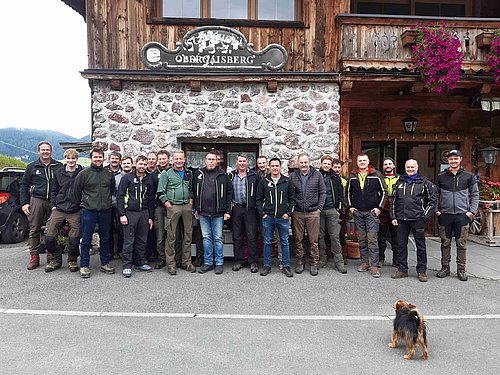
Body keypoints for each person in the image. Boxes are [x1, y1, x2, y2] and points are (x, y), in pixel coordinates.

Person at [435, 149, 479, 281]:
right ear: (447, 161)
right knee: (445, 243)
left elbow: (475, 194)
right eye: (451, 159)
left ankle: (461, 269)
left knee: (461, 244)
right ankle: (445, 268)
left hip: (462, 215)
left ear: (460, 159)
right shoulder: (441, 177)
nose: (453, 161)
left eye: (455, 158)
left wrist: (471, 211)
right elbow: (435, 195)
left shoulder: (468, 176)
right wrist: (437, 210)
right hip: (445, 215)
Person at [390, 159, 438, 282]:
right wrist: (393, 216)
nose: (410, 169)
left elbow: (433, 202)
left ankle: (421, 271)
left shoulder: (425, 183)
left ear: (417, 167)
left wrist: (424, 217)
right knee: (401, 245)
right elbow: (394, 201)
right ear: (405, 168)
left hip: (418, 219)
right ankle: (402, 269)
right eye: (408, 167)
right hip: (401, 219)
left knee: (420, 246)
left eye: (412, 167)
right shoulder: (399, 182)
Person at [73, 147, 116, 278]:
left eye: (100, 157)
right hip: (88, 211)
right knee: (86, 239)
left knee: (105, 238)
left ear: (103, 158)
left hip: (105, 211)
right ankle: (84, 265)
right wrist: (85, 203)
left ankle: (105, 263)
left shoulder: (108, 174)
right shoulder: (83, 174)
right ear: (91, 158)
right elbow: (76, 192)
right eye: (95, 157)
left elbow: (112, 189)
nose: (98, 159)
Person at [20, 141, 62, 270]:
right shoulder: (32, 166)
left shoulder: (58, 166)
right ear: (39, 151)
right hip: (37, 199)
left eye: (47, 150)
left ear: (51, 151)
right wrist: (24, 203)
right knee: (34, 229)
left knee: (53, 229)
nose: (45, 152)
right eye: (43, 150)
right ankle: (34, 256)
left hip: (53, 201)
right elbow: (24, 186)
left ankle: (52, 257)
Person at [347, 154, 388, 278]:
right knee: (361, 239)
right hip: (358, 212)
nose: (362, 162)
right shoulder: (353, 176)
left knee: (372, 239)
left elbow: (384, 192)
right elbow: (348, 192)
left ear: (368, 161)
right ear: (357, 162)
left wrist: (379, 208)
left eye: (364, 160)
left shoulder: (376, 175)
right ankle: (364, 262)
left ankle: (374, 265)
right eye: (360, 160)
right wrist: (350, 207)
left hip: (371, 212)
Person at [193, 151, 233, 275]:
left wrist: (228, 211)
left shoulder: (223, 175)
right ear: (205, 160)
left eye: (213, 159)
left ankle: (219, 263)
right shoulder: (198, 174)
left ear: (217, 161)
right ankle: (208, 262)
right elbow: (194, 192)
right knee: (206, 238)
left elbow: (229, 193)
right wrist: (196, 209)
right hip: (203, 212)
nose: (211, 161)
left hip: (218, 213)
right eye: (209, 159)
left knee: (217, 238)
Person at [44, 149, 83, 273]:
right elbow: (54, 190)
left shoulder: (82, 172)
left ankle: (72, 259)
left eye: (73, 158)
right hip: (59, 207)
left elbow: (85, 190)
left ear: (77, 159)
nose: (71, 161)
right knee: (49, 235)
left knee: (74, 237)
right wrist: (53, 205)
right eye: (68, 158)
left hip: (75, 208)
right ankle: (55, 259)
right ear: (65, 159)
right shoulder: (58, 172)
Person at [157, 150, 195, 275]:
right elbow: (160, 192)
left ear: (184, 159)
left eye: (181, 158)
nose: (179, 161)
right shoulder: (166, 173)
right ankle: (171, 264)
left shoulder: (189, 173)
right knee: (171, 236)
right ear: (173, 160)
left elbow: (191, 189)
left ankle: (186, 262)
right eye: (176, 159)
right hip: (173, 207)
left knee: (188, 235)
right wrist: (168, 205)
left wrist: (190, 203)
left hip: (186, 207)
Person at [117, 155, 155, 277]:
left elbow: (150, 199)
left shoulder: (149, 179)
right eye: (140, 164)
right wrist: (122, 214)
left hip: (144, 212)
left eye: (145, 164)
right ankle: (127, 265)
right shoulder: (127, 178)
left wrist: (150, 216)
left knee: (142, 240)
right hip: (130, 212)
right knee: (129, 240)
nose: (142, 166)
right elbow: (120, 197)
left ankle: (140, 262)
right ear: (135, 164)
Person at [257, 157, 295, 277]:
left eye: (277, 165)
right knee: (267, 241)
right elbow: (258, 199)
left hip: (282, 218)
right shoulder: (264, 181)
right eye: (272, 166)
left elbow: (292, 200)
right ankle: (267, 266)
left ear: (280, 167)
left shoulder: (287, 181)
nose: (274, 168)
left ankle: (286, 266)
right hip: (268, 217)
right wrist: (262, 213)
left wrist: (288, 214)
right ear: (269, 167)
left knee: (284, 242)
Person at [289, 153, 326, 276]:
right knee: (298, 239)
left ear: (309, 162)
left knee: (313, 240)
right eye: (301, 162)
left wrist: (319, 209)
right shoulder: (293, 176)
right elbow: (290, 194)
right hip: (298, 212)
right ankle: (300, 261)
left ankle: (314, 263)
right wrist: (292, 209)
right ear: (298, 164)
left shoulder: (317, 175)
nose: (304, 165)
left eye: (306, 162)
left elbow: (323, 193)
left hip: (313, 212)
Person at [229, 153, 260, 273]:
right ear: (236, 162)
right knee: (237, 236)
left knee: (251, 236)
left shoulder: (254, 175)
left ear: (247, 162)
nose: (242, 163)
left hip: (250, 209)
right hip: (236, 208)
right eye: (240, 161)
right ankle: (239, 260)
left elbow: (259, 193)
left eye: (244, 161)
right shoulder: (231, 175)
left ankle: (253, 262)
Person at [318, 155, 346, 273]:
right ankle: (322, 259)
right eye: (325, 163)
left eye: (329, 164)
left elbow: (340, 195)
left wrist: (338, 209)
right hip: (319, 210)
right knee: (320, 236)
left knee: (335, 236)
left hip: (331, 209)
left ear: (331, 165)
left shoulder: (335, 178)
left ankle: (339, 262)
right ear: (321, 164)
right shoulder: (316, 176)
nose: (326, 165)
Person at [378, 157, 399, 267]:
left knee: (396, 237)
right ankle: (381, 259)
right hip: (383, 210)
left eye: (390, 164)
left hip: (395, 210)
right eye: (385, 164)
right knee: (381, 237)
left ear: (394, 166)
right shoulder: (379, 178)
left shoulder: (399, 179)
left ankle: (396, 260)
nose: (388, 166)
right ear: (383, 167)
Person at [153, 149, 171, 269]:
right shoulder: (154, 174)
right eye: (160, 159)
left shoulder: (174, 172)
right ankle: (161, 258)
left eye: (164, 158)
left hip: (172, 206)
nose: (162, 161)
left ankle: (173, 258)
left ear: (168, 159)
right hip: (159, 207)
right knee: (160, 234)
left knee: (172, 234)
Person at [332, 158, 349, 265]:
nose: (337, 169)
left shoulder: (346, 180)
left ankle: (343, 256)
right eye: (335, 167)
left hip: (343, 211)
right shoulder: (329, 179)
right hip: (332, 210)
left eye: (339, 167)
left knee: (342, 234)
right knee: (331, 234)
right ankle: (331, 255)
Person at [107, 151, 122, 260]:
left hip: (119, 204)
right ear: (109, 160)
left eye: (116, 159)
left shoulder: (123, 174)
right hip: (107, 204)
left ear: (119, 160)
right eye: (112, 158)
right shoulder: (104, 171)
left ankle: (120, 250)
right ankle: (110, 251)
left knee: (121, 228)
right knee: (108, 228)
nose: (114, 160)